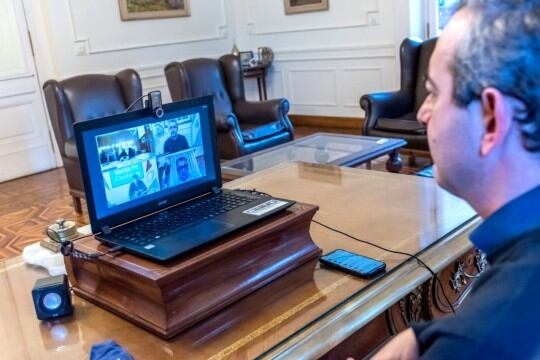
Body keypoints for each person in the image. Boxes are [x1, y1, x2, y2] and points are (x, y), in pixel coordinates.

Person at [372, 1, 540, 359]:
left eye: (434, 92)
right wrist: (428, 336)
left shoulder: (480, 341)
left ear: (491, 120)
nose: (422, 112)